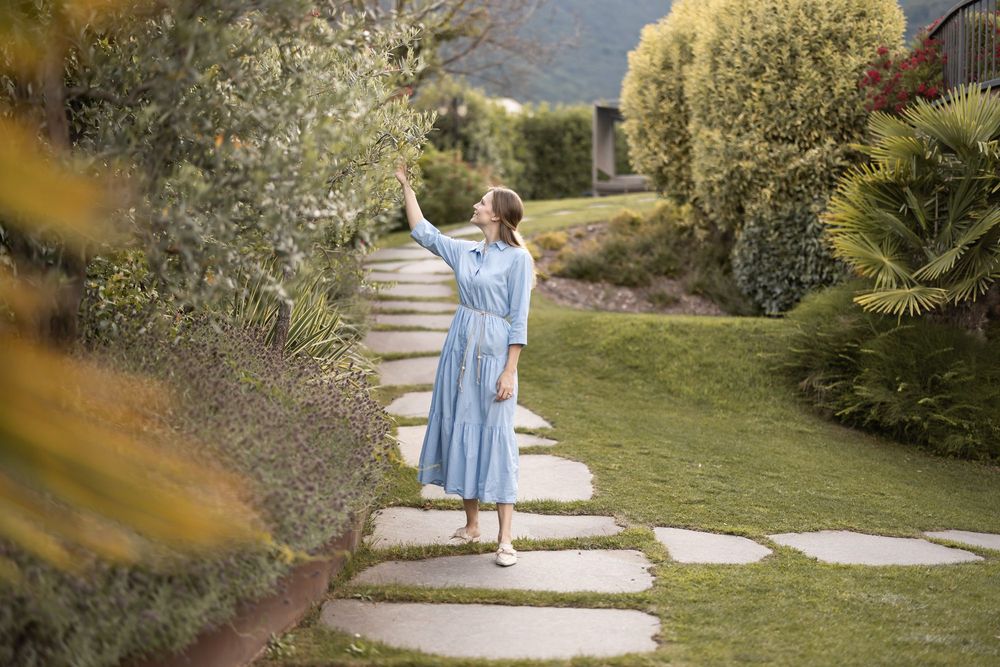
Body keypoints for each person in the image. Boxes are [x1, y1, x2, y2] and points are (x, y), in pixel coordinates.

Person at [394, 163, 535, 567]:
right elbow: (425, 233)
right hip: (458, 350)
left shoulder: (518, 260)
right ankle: (471, 525)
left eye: (483, 202)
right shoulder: (467, 251)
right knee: (461, 425)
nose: (476, 205)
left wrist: (509, 370)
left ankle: (505, 538)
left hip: (493, 356)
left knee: (496, 434)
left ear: (497, 215)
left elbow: (519, 319)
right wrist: (407, 186)